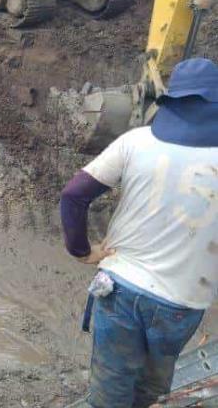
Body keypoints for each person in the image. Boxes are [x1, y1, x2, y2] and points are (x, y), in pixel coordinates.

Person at [58, 57, 218, 408]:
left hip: (121, 290)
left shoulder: (136, 141)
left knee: (108, 395)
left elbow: (73, 195)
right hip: (182, 301)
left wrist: (82, 250)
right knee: (149, 389)